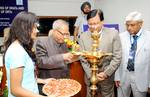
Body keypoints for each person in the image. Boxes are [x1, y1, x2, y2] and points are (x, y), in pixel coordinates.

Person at [4, 11, 51, 97]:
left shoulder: (21, 47)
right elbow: (15, 90)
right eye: (34, 27)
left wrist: (44, 81)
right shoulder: (16, 51)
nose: (37, 30)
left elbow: (26, 78)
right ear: (24, 28)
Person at [79, 9, 122, 97]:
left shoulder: (113, 34)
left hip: (107, 77)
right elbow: (83, 59)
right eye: (90, 24)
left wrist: (106, 73)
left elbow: (117, 57)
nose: (93, 27)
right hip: (90, 78)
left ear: (102, 22)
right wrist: (91, 75)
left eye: (96, 23)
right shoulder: (83, 36)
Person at [35, 19, 78, 95]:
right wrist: (62, 57)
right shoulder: (42, 42)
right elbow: (41, 62)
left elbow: (65, 61)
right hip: (49, 85)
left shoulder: (64, 43)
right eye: (63, 34)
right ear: (54, 31)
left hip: (64, 83)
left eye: (67, 34)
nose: (65, 37)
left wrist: (72, 58)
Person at [115, 11, 150, 97]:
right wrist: (117, 76)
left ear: (141, 24)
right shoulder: (121, 37)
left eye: (132, 25)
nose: (129, 28)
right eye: (127, 25)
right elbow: (117, 57)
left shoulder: (149, 37)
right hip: (124, 75)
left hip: (142, 78)